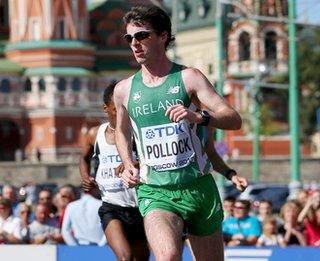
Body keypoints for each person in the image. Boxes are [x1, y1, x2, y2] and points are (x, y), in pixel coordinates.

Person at [114, 5, 241, 260]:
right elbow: (121, 130)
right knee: (168, 256)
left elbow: (233, 119)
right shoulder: (124, 89)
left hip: (198, 187)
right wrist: (127, 163)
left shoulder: (189, 78)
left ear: (163, 36)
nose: (135, 44)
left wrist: (199, 116)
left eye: (142, 36)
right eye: (130, 38)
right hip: (155, 191)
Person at [80, 82, 149, 260]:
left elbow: (152, 158)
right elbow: (83, 159)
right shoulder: (95, 133)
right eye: (116, 109)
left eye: (124, 108)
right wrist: (85, 177)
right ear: (106, 109)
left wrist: (135, 163)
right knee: (125, 257)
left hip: (140, 207)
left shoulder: (137, 132)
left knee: (140, 258)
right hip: (112, 207)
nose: (122, 114)